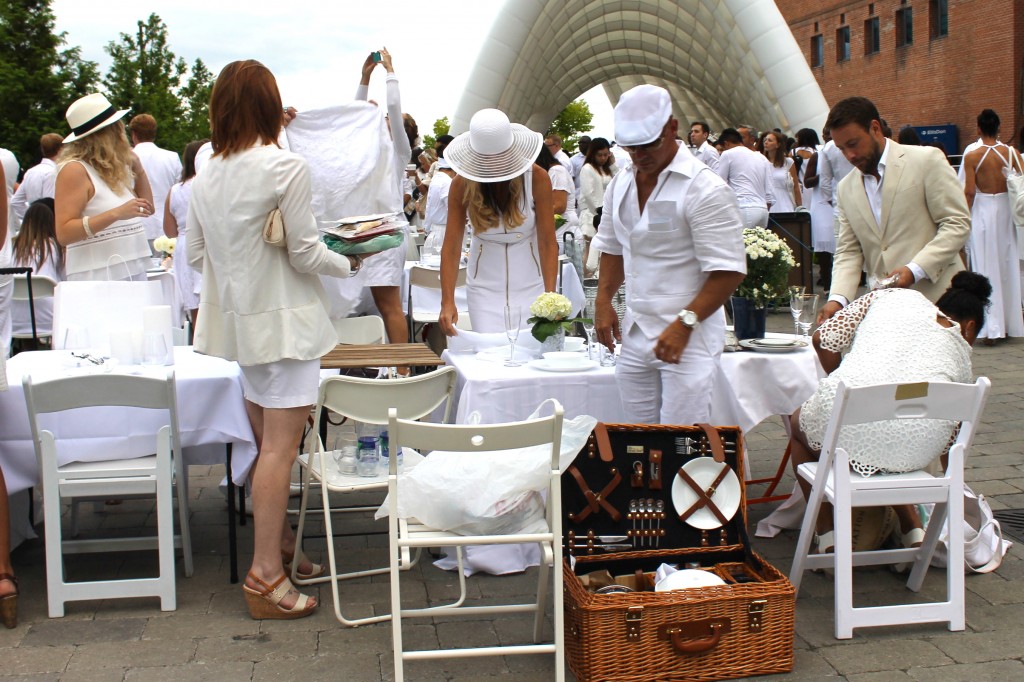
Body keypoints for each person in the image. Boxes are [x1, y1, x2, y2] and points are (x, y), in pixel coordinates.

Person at [187, 59, 369, 620]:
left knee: (269, 441)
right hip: (285, 325)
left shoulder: (205, 171)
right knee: (279, 450)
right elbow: (308, 253)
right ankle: (266, 574)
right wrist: (357, 256)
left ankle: (283, 545)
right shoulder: (286, 167)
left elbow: (195, 254)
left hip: (239, 324)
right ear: (270, 107)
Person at [789, 272, 990, 553]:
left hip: (852, 430)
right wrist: (951, 481)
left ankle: (827, 535)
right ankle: (912, 527)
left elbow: (822, 338)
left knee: (799, 422)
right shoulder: (958, 348)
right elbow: (953, 428)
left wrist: (844, 379)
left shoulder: (889, 295)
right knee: (889, 438)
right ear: (970, 327)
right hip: (917, 453)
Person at [592, 84, 746, 425]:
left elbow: (729, 270)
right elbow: (613, 248)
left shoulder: (705, 187)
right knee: (637, 440)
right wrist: (603, 301)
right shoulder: (621, 182)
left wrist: (685, 322)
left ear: (672, 127)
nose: (640, 155)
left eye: (649, 144)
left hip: (690, 336)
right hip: (635, 333)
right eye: (631, 148)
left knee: (682, 442)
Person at [821, 96, 971, 321]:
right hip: (885, 309)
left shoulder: (926, 160)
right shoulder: (846, 188)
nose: (849, 156)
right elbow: (848, 251)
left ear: (875, 128)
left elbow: (957, 223)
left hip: (938, 301)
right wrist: (838, 299)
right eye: (841, 149)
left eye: (853, 144)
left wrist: (915, 269)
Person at [438, 108, 557, 334]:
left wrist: (550, 295)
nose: (494, 163)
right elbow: (451, 246)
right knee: (489, 355)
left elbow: (548, 242)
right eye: (486, 158)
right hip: (483, 286)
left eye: (500, 157)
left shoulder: (537, 177)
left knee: (531, 354)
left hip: (532, 282)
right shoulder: (461, 184)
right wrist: (447, 301)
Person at [53, 93, 155, 282]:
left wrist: (138, 169)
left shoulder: (111, 167)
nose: (122, 132)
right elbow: (64, 233)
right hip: (99, 275)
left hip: (131, 266)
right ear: (107, 134)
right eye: (118, 127)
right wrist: (116, 214)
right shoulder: (75, 169)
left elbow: (147, 208)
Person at [353, 49, 416, 348]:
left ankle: (402, 370)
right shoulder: (363, 152)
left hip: (387, 233)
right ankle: (371, 366)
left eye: (393, 119)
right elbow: (352, 117)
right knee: (356, 306)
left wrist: (390, 71)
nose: (387, 119)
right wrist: (364, 77)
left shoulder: (399, 152)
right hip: (360, 232)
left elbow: (393, 104)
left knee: (388, 304)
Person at [962, 108, 1024, 344]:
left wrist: (963, 218)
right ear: (999, 128)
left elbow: (969, 192)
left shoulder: (973, 156)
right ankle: (1008, 324)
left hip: (984, 211)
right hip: (1007, 212)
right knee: (1008, 266)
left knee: (985, 266)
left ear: (979, 128)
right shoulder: (1013, 154)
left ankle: (991, 326)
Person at [163, 140, 207, 327]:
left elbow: (169, 230)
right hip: (208, 242)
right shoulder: (209, 183)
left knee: (194, 305)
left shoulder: (175, 190)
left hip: (185, 245)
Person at [11, 199, 64, 341]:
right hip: (49, 318)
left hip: (13, 319)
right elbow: (65, 281)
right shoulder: (55, 246)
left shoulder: (13, 247)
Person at [129, 114, 183, 252]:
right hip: (166, 228)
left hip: (136, 228)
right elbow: (179, 193)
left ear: (133, 134)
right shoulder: (172, 158)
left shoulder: (126, 159)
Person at [717, 127, 775, 229]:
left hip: (743, 208)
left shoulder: (727, 154)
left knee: (740, 244)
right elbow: (769, 192)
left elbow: (720, 185)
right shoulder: (762, 157)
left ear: (726, 144)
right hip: (762, 210)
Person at [802, 128, 836, 290]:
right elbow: (807, 181)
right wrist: (824, 176)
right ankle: (827, 282)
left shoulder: (844, 154)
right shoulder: (817, 156)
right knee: (824, 246)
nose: (828, 137)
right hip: (821, 204)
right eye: (825, 134)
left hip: (839, 202)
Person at [577, 137, 617, 275]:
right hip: (592, 214)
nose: (603, 158)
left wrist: (612, 165)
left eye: (606, 154)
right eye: (600, 155)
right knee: (591, 254)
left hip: (606, 213)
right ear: (593, 154)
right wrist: (597, 212)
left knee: (603, 253)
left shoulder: (607, 169)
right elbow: (588, 193)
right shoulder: (587, 168)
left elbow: (619, 181)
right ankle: (587, 282)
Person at [10, 133, 62, 224]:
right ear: (60, 149)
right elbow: (50, 203)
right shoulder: (53, 172)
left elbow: (16, 201)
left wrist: (31, 217)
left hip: (35, 226)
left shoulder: (31, 171)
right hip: (49, 226)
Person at [536, 143, 579, 248]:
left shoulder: (556, 171)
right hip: (558, 229)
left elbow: (559, 206)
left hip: (563, 231)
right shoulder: (550, 171)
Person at [763, 131, 800, 212]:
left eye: (770, 140)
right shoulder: (761, 162)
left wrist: (800, 206)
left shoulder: (788, 162)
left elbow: (796, 186)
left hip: (785, 203)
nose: (766, 142)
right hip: (766, 204)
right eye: (765, 140)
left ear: (778, 144)